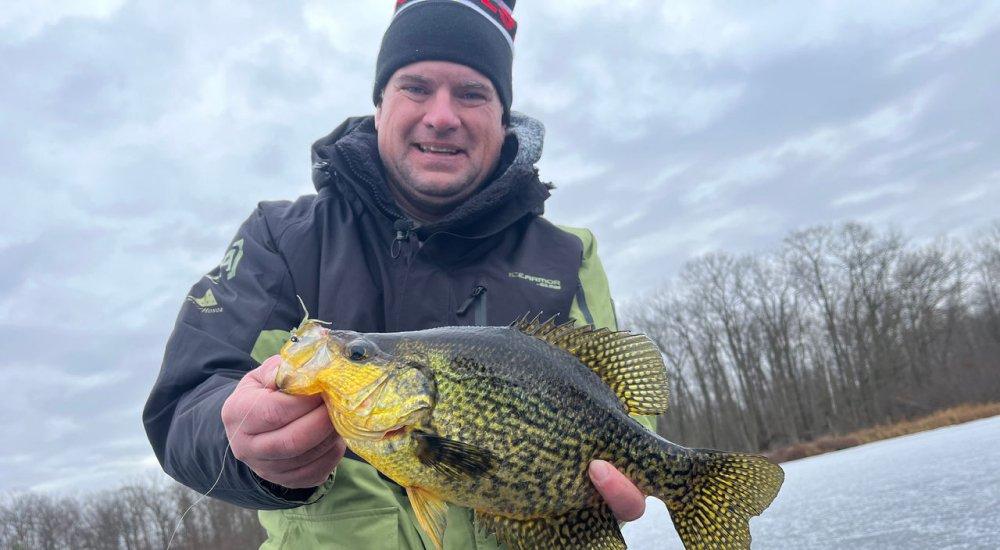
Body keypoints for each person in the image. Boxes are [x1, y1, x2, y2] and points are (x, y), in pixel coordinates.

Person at [143, 1, 651, 547]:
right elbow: (184, 402)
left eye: (472, 93)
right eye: (415, 87)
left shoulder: (569, 255)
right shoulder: (282, 238)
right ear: (380, 104)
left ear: (504, 120)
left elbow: (627, 413)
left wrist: (622, 481)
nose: (441, 116)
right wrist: (240, 436)